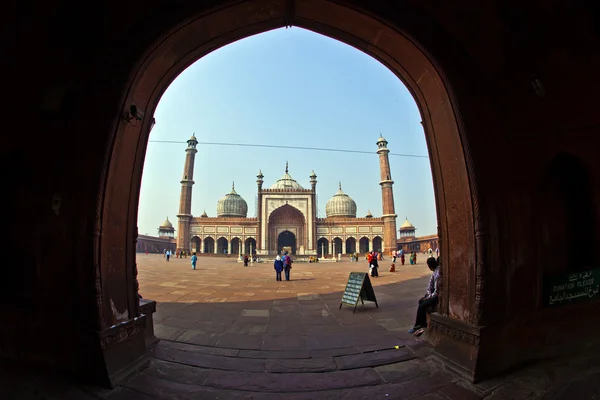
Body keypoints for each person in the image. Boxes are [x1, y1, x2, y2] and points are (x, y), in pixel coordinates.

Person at [408, 257, 441, 335]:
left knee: (422, 305)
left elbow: (437, 291)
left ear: (429, 266)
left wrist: (428, 297)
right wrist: (428, 295)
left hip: (437, 295)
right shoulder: (435, 272)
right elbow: (430, 286)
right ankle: (421, 324)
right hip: (433, 293)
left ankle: (419, 325)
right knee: (421, 301)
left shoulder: (438, 274)